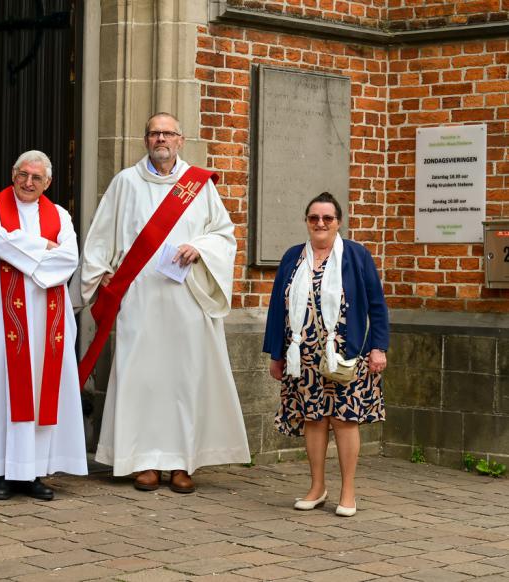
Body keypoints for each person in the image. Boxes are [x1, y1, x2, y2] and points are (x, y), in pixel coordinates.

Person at [78, 113, 250, 494]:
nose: (161, 139)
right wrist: (101, 272)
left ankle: (181, 463)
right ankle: (143, 461)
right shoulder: (125, 182)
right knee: (143, 379)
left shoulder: (199, 186)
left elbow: (223, 234)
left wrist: (199, 248)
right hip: (140, 296)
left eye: (168, 133)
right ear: (145, 140)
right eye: (154, 133)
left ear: (180, 139)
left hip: (185, 296)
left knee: (183, 381)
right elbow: (100, 232)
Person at [0, 151, 87, 501]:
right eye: (23, 174)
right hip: (1, 318)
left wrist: (29, 255)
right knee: (0, 390)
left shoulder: (60, 215)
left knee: (41, 391)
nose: (28, 183)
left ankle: (32, 472)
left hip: (45, 321)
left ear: (48, 182)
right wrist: (44, 247)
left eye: (36, 178)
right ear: (13, 174)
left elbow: (69, 257)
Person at [263, 192, 388, 517]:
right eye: (314, 218)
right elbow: (278, 307)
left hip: (347, 355)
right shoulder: (293, 257)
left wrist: (378, 347)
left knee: (345, 420)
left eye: (327, 218)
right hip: (301, 358)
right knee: (314, 421)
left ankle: (348, 492)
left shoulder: (357, 256)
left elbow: (377, 304)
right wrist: (276, 353)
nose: (320, 223)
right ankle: (317, 487)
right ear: (307, 221)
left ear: (338, 222)